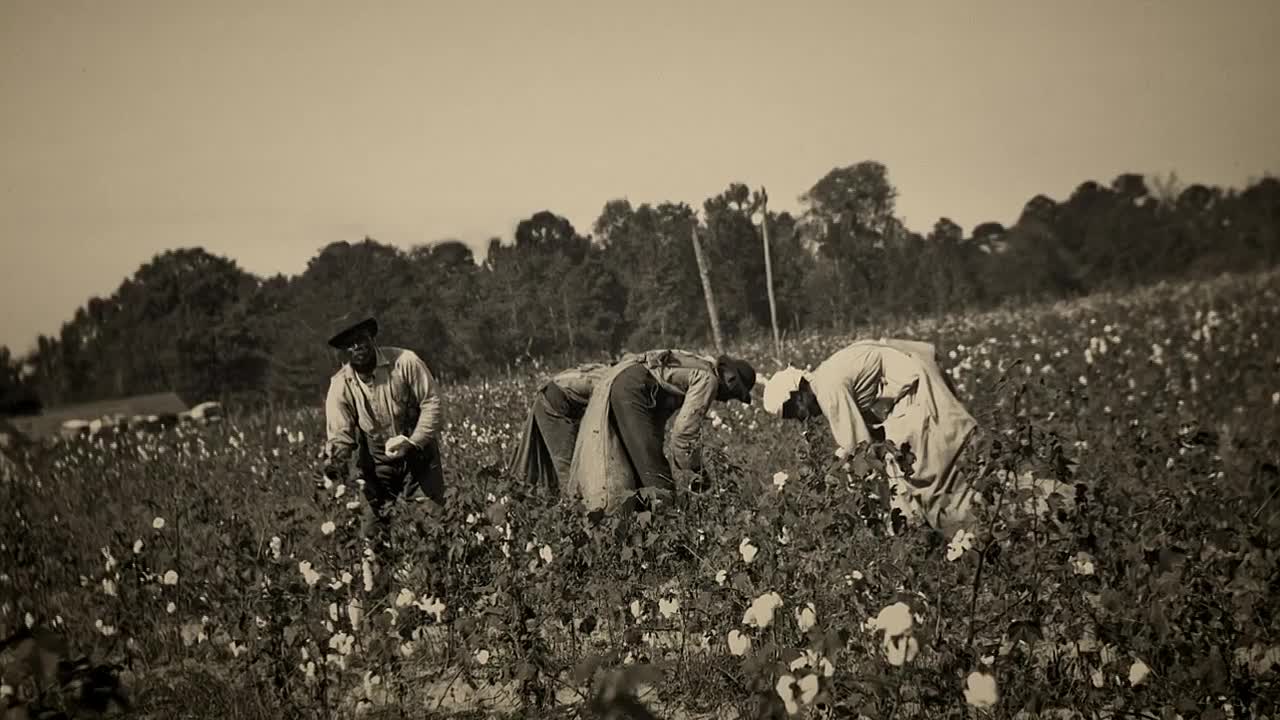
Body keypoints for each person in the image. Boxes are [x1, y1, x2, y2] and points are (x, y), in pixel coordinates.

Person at [761, 338, 978, 531]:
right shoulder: (827, 375)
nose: (802, 418)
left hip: (917, 388)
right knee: (912, 463)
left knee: (927, 470)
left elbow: (860, 449)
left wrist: (857, 492)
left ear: (798, 394)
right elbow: (873, 431)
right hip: (916, 377)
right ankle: (928, 528)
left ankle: (968, 530)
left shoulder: (828, 391)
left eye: (794, 411)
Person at [567, 349, 757, 514]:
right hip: (631, 389)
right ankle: (669, 538)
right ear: (730, 379)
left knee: (638, 474)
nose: (725, 401)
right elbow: (684, 436)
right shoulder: (708, 379)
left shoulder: (696, 366)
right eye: (733, 395)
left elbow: (655, 421)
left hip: (622, 382)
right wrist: (698, 472)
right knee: (660, 485)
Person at [322, 312, 445, 558]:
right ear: (345, 350)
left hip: (417, 454)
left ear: (371, 336)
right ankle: (378, 591)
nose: (358, 346)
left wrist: (413, 441)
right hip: (377, 463)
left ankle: (436, 590)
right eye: (350, 343)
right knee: (372, 536)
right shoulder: (340, 384)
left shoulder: (405, 361)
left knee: (432, 530)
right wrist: (335, 463)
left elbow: (432, 403)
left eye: (362, 338)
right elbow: (341, 434)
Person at [507, 360, 611, 496]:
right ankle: (572, 510)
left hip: (561, 397)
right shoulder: (614, 379)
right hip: (554, 404)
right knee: (569, 473)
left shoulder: (613, 372)